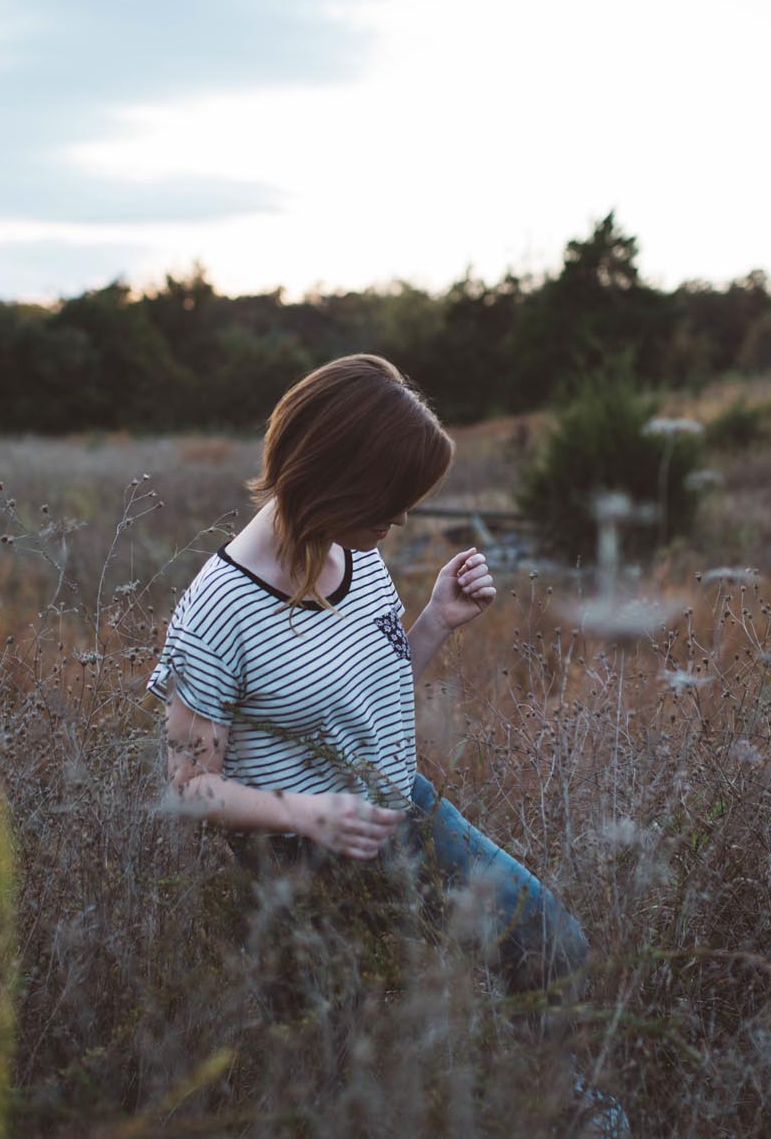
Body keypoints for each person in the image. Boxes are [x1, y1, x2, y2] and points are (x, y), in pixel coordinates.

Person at [147, 354, 626, 1131]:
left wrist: (434, 621)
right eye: (391, 501)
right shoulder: (215, 612)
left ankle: (562, 1113)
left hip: (405, 811)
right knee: (348, 1075)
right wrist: (307, 815)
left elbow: (372, 689)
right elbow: (189, 786)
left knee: (550, 944)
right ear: (335, 477)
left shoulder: (356, 555)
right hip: (297, 869)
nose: (399, 521)